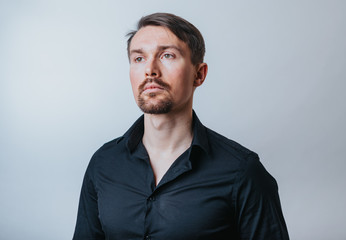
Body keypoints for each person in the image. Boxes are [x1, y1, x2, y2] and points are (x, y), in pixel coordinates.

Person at [73, 12, 289, 240]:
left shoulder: (243, 172)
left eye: (167, 55)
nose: (150, 70)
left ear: (199, 74)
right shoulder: (103, 163)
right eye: (139, 59)